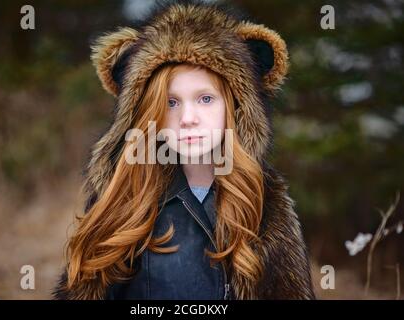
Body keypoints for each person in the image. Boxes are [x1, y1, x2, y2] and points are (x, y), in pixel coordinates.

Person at [53, 0, 315, 300]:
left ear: (235, 108)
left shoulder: (267, 205)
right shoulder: (125, 200)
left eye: (205, 99)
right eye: (171, 102)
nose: (188, 118)